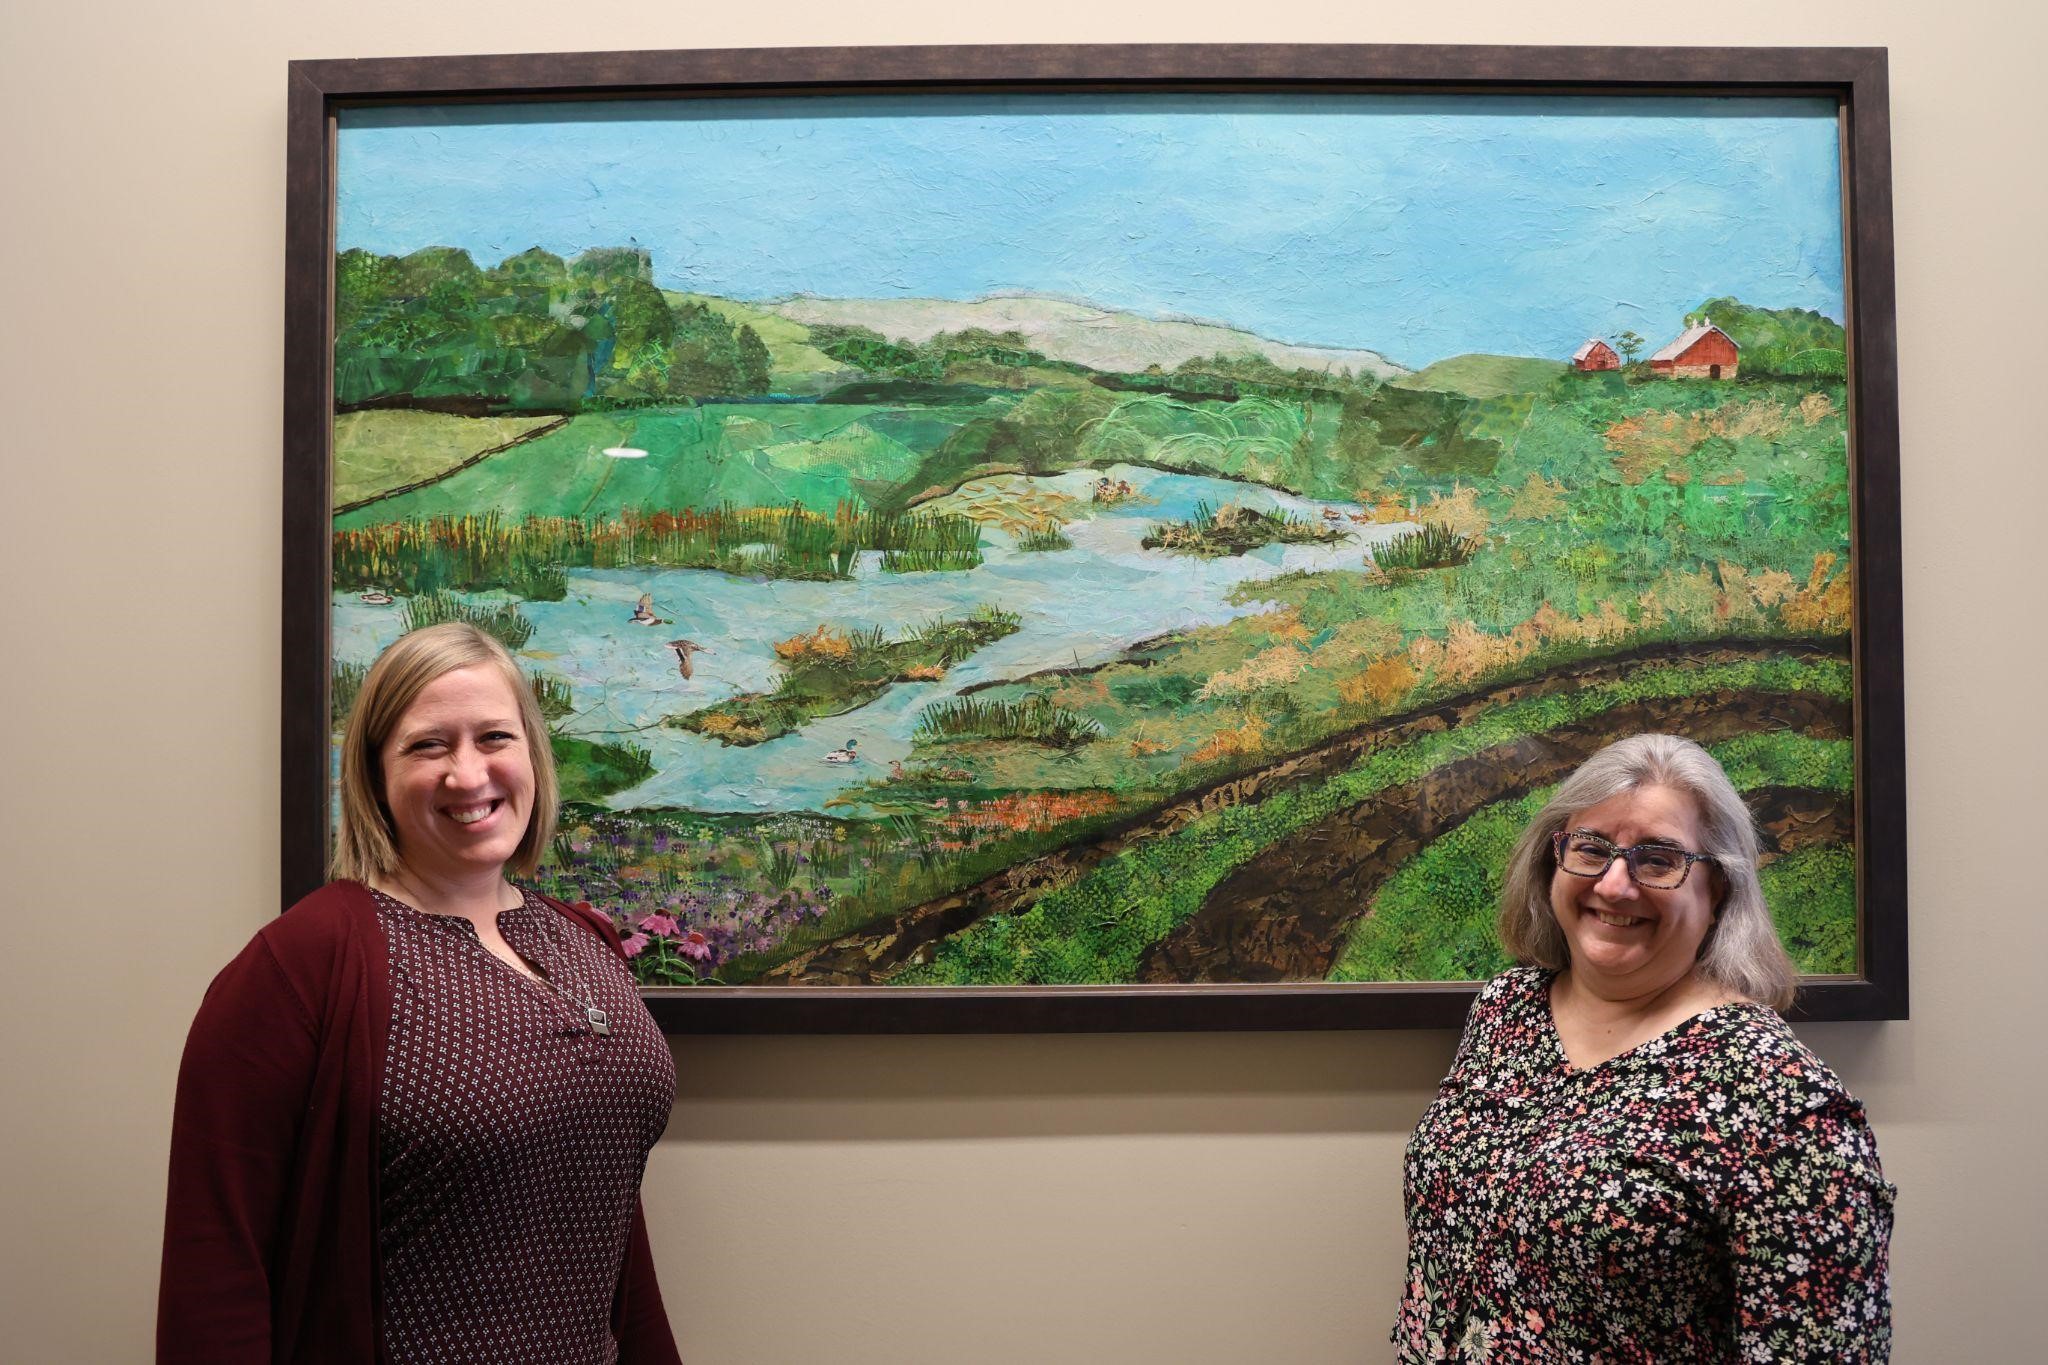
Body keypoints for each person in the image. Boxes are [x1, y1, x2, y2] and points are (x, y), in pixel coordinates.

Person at [158, 623, 682, 1364]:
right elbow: (215, 1270)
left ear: (532, 752)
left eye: (494, 736)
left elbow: (608, 1218)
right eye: (428, 745)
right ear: (373, 775)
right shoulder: (299, 969)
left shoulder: (585, 941)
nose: (467, 775)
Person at [1394, 733, 1893, 1363]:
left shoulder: (1785, 1101)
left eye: (1657, 860)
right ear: (1554, 861)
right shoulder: (1506, 1009)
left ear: (1718, 892)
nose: (1614, 884)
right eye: (1591, 848)